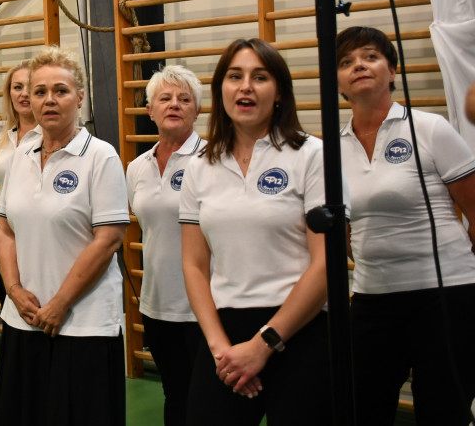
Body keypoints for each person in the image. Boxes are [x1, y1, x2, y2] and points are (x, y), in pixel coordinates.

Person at [179, 38, 331, 425]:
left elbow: (327, 263)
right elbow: (194, 265)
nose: (245, 86)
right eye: (235, 76)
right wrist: (221, 351)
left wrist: (264, 345)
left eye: (259, 77)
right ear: (221, 90)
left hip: (299, 329)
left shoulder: (312, 154)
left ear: (278, 93)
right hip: (225, 333)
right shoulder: (199, 166)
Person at [336, 26, 475, 426]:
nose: (358, 65)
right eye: (346, 62)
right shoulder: (331, 148)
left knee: (442, 413)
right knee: (363, 410)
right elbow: (345, 231)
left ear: (393, 71)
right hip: (372, 299)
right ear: (338, 81)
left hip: (445, 298)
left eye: (370, 56)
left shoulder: (430, 128)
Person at [0, 46, 128, 425]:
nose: (49, 100)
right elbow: (5, 229)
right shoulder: (20, 155)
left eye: (61, 91)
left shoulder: (101, 157)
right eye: (39, 92)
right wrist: (14, 290)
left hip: (81, 323)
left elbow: (108, 240)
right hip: (25, 317)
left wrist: (61, 303)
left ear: (79, 97)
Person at [125, 64, 204, 426]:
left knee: (209, 400)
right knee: (174, 394)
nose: (174, 105)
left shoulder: (214, 159)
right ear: (150, 110)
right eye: (165, 99)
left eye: (184, 99)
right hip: (158, 304)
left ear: (197, 110)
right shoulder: (137, 167)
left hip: (206, 307)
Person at [0, 61, 40, 303]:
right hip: (7, 240)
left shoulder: (52, 136)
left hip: (39, 241)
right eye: (17, 87)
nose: (24, 94)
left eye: (31, 87)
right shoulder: (4, 138)